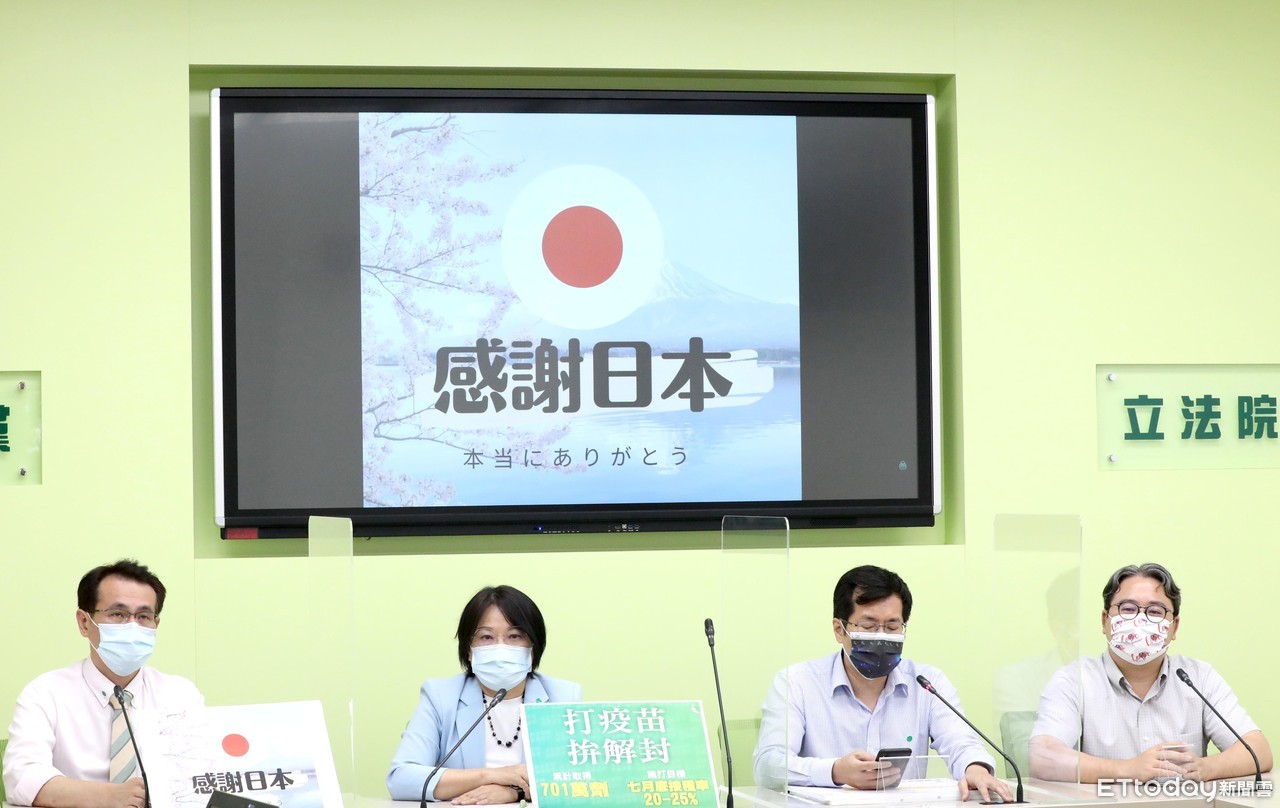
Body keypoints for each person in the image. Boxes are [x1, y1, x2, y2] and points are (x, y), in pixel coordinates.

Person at [752, 565, 1012, 802]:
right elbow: (768, 765)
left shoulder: (927, 683)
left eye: (891, 627)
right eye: (868, 626)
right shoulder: (797, 683)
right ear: (839, 630)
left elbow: (962, 743)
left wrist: (975, 768)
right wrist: (835, 771)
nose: (881, 635)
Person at [1029, 562, 1273, 783]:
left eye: (1155, 612)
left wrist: (1206, 768)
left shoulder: (1198, 677)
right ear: (1105, 621)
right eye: (1127, 609)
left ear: (1174, 627)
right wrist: (1127, 769)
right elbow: (1042, 758)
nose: (1140, 620)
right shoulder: (1074, 680)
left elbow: (1258, 751)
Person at [2, 559, 204, 808]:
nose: (132, 626)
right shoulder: (45, 693)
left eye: (144, 616)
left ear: (156, 624)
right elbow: (22, 779)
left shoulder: (181, 695)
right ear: (84, 622)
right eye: (118, 614)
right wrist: (110, 797)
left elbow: (200, 778)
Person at [387, 585, 582, 803]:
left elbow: (580, 780)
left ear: (533, 647)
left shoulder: (563, 697)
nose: (501, 648)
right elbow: (400, 779)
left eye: (514, 636)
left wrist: (514, 793)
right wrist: (491, 776)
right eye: (487, 637)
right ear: (468, 649)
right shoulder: (440, 696)